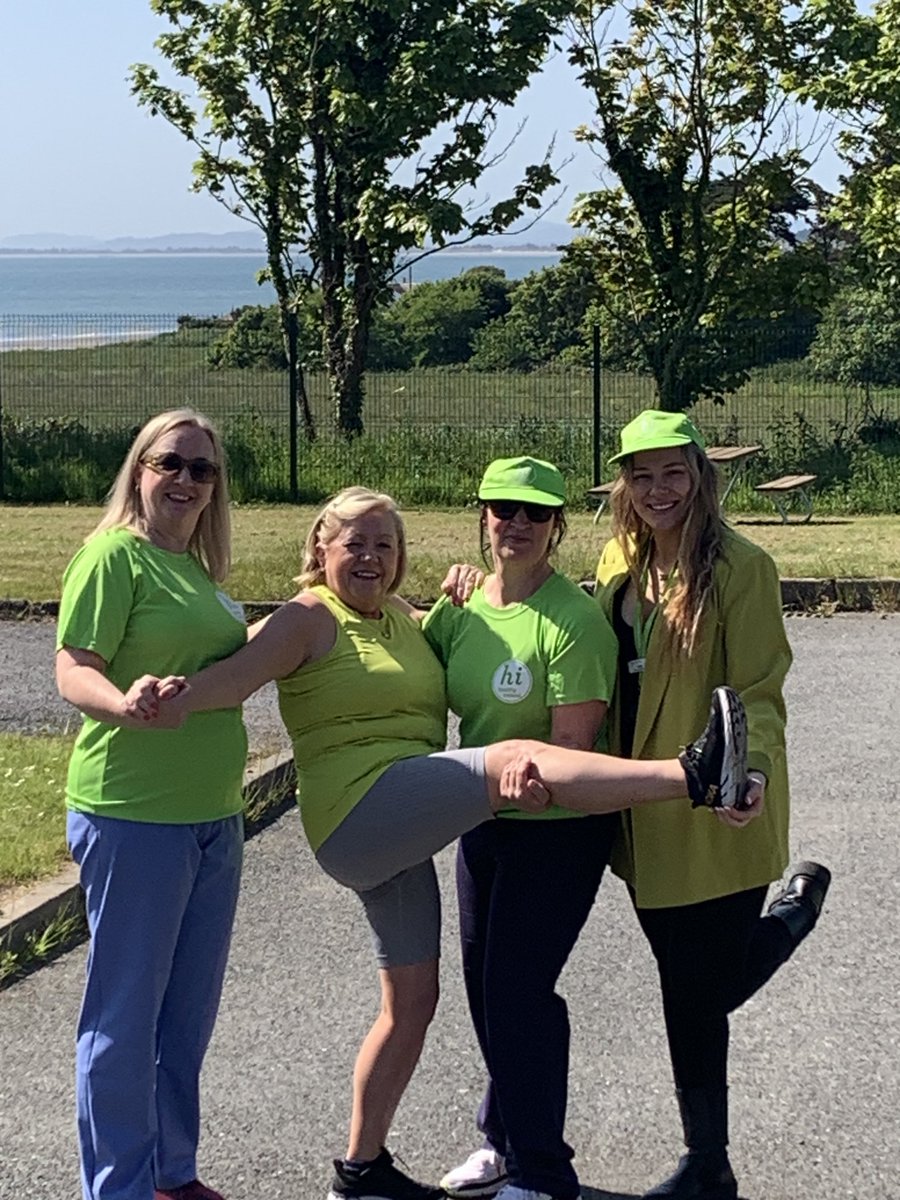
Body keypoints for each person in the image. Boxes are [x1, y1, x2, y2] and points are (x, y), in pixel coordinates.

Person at [139, 485, 749, 1200]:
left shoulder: (404, 618)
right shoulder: (308, 617)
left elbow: (471, 632)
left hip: (402, 819)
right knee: (509, 758)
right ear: (319, 550)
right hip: (361, 810)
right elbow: (234, 678)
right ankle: (694, 774)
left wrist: (466, 586)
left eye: (385, 545)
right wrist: (162, 697)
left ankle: (359, 1171)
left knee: (413, 1002)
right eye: (354, 543)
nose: (369, 557)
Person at [594, 410, 832, 1200]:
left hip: (721, 807)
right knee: (683, 983)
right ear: (625, 483)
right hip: (642, 808)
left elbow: (761, 688)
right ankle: (712, 1163)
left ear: (700, 474)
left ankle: (793, 913)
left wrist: (751, 770)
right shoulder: (617, 561)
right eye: (642, 474)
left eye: (673, 472)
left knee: (704, 988)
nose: (658, 490)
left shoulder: (741, 567)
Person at [55, 409, 248, 1200]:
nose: (186, 480)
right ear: (140, 469)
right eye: (171, 462)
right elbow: (72, 667)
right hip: (134, 814)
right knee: (125, 1021)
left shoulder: (197, 571)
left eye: (203, 470)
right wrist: (121, 702)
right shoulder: (113, 556)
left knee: (184, 1019)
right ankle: (119, 1186)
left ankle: (171, 1173)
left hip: (213, 816)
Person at [422, 457, 619, 1200]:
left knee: (519, 993)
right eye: (504, 509)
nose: (518, 524)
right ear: (482, 516)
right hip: (485, 820)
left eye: (536, 513)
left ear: (557, 526)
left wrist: (524, 777)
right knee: (483, 988)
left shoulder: (575, 621)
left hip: (560, 827)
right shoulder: (463, 609)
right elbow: (414, 655)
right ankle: (502, 1142)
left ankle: (544, 1172)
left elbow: (572, 751)